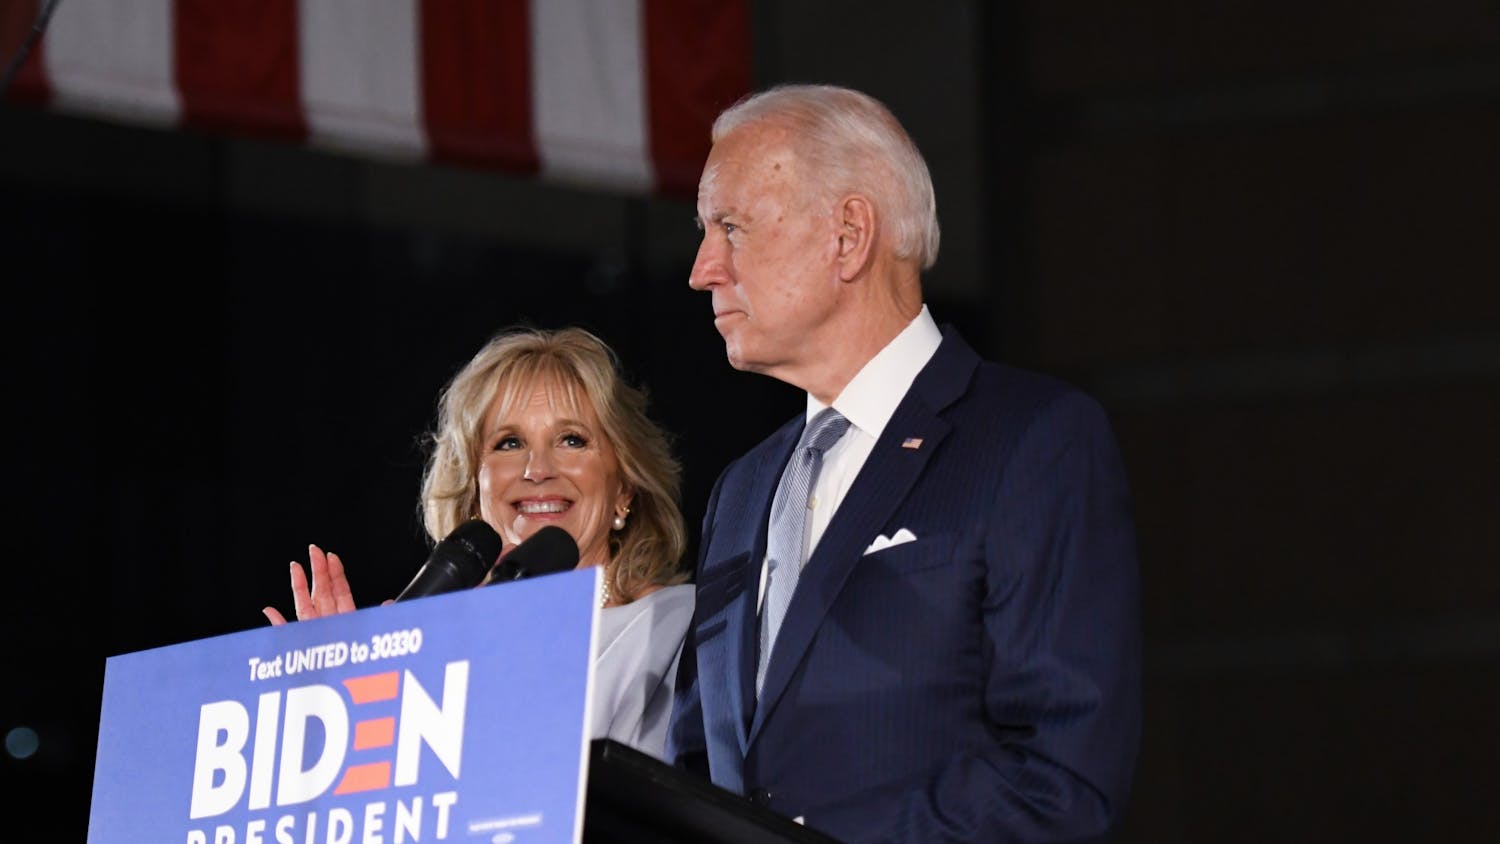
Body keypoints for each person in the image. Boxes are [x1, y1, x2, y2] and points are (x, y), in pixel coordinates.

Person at [664, 83, 1143, 842]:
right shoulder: (743, 489)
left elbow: (1061, 773)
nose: (702, 268)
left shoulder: (1032, 440)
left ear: (849, 235)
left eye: (731, 226)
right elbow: (695, 771)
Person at [263, 325, 695, 760]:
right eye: (509, 443)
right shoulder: (427, 649)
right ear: (473, 491)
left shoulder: (679, 628)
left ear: (625, 489)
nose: (538, 469)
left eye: (571, 440)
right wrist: (343, 705)